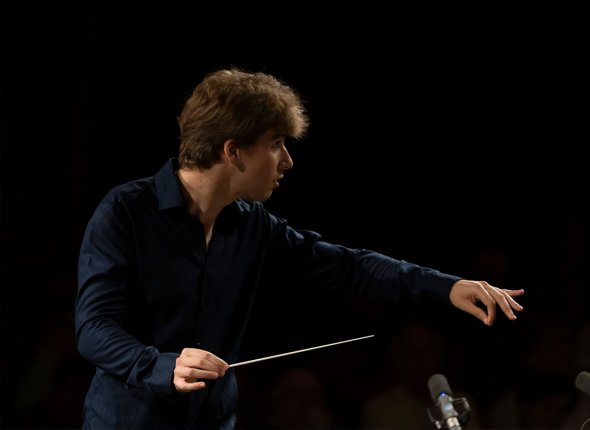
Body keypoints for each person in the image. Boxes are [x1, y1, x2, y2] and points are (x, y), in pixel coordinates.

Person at [75, 67, 525, 430]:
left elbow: (347, 266)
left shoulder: (251, 224)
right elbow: (93, 327)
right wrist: (162, 366)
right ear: (233, 151)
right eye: (276, 145)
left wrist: (448, 287)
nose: (287, 161)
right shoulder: (125, 211)